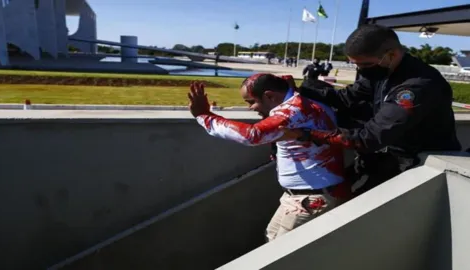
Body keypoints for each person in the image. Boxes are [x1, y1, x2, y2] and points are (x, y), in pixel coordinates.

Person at [283, 24, 461, 195]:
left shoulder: (416, 87)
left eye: (365, 65)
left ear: (391, 54)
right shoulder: (381, 71)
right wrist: (299, 90)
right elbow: (346, 98)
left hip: (418, 164)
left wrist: (307, 134)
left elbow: (369, 138)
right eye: (355, 65)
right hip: (387, 157)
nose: (361, 70)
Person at [187, 74, 351, 241]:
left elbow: (252, 135)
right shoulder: (304, 103)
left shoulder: (293, 109)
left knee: (281, 258)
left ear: (270, 96)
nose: (251, 108)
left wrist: (204, 116)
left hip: (310, 199)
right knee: (271, 240)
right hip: (304, 197)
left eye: (251, 102)